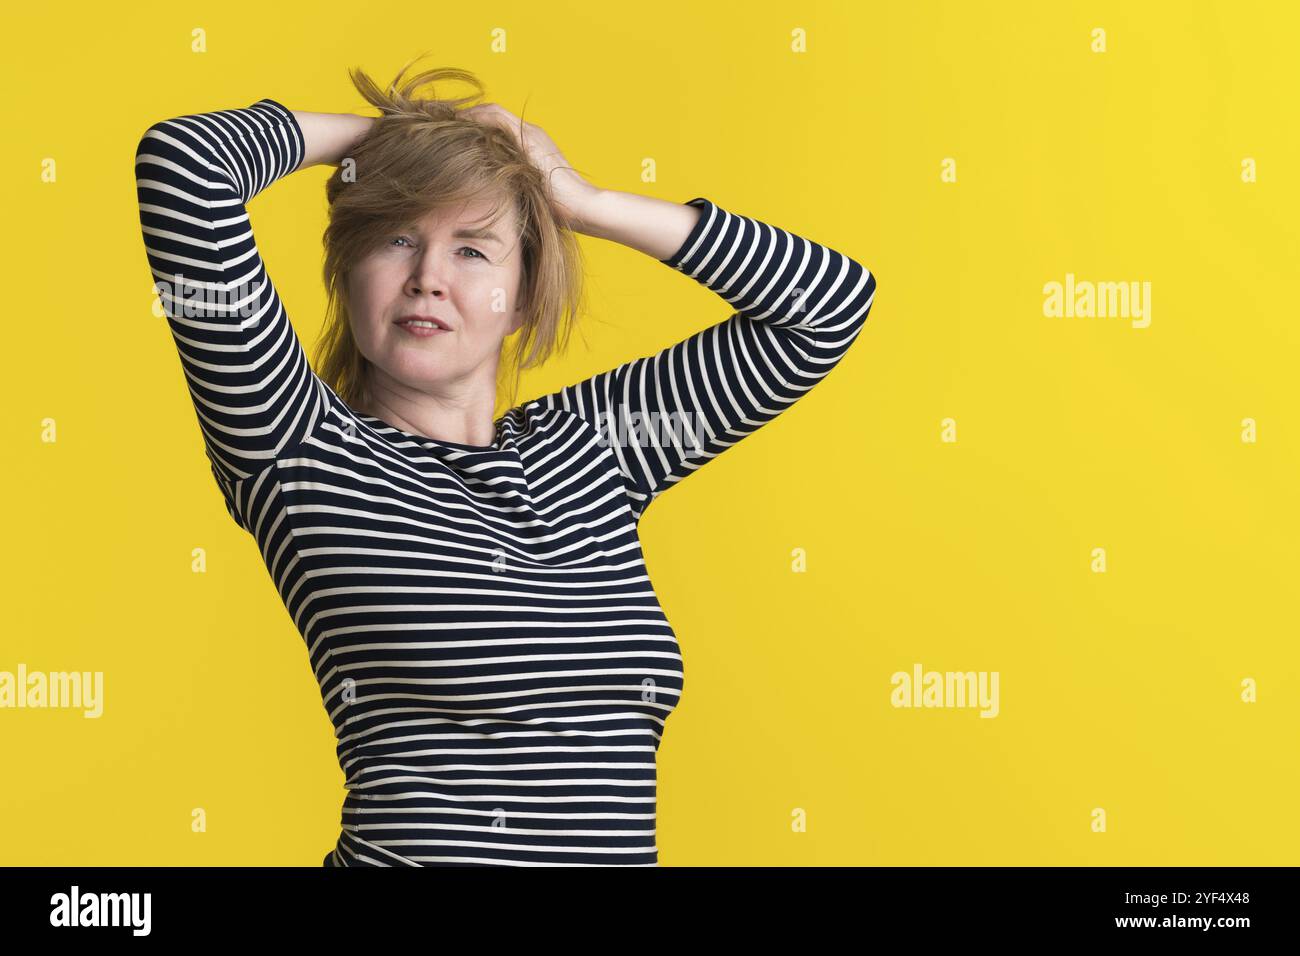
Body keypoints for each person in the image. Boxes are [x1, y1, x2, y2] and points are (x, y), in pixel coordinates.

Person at [134, 59, 879, 867]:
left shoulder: (594, 451)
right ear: (345, 277)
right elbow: (185, 166)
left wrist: (579, 201)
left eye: (473, 251)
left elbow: (826, 307)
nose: (427, 279)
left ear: (524, 297)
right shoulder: (295, 445)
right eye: (396, 238)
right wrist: (390, 143)